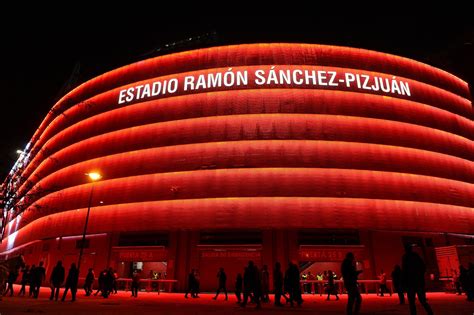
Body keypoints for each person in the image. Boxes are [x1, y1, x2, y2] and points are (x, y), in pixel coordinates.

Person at [401, 244, 433, 315]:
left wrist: (404, 283)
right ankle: (430, 313)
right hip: (418, 282)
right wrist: (420, 276)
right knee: (422, 300)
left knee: (412, 302)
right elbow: (423, 267)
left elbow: (404, 271)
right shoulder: (416, 256)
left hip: (410, 283)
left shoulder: (405, 257)